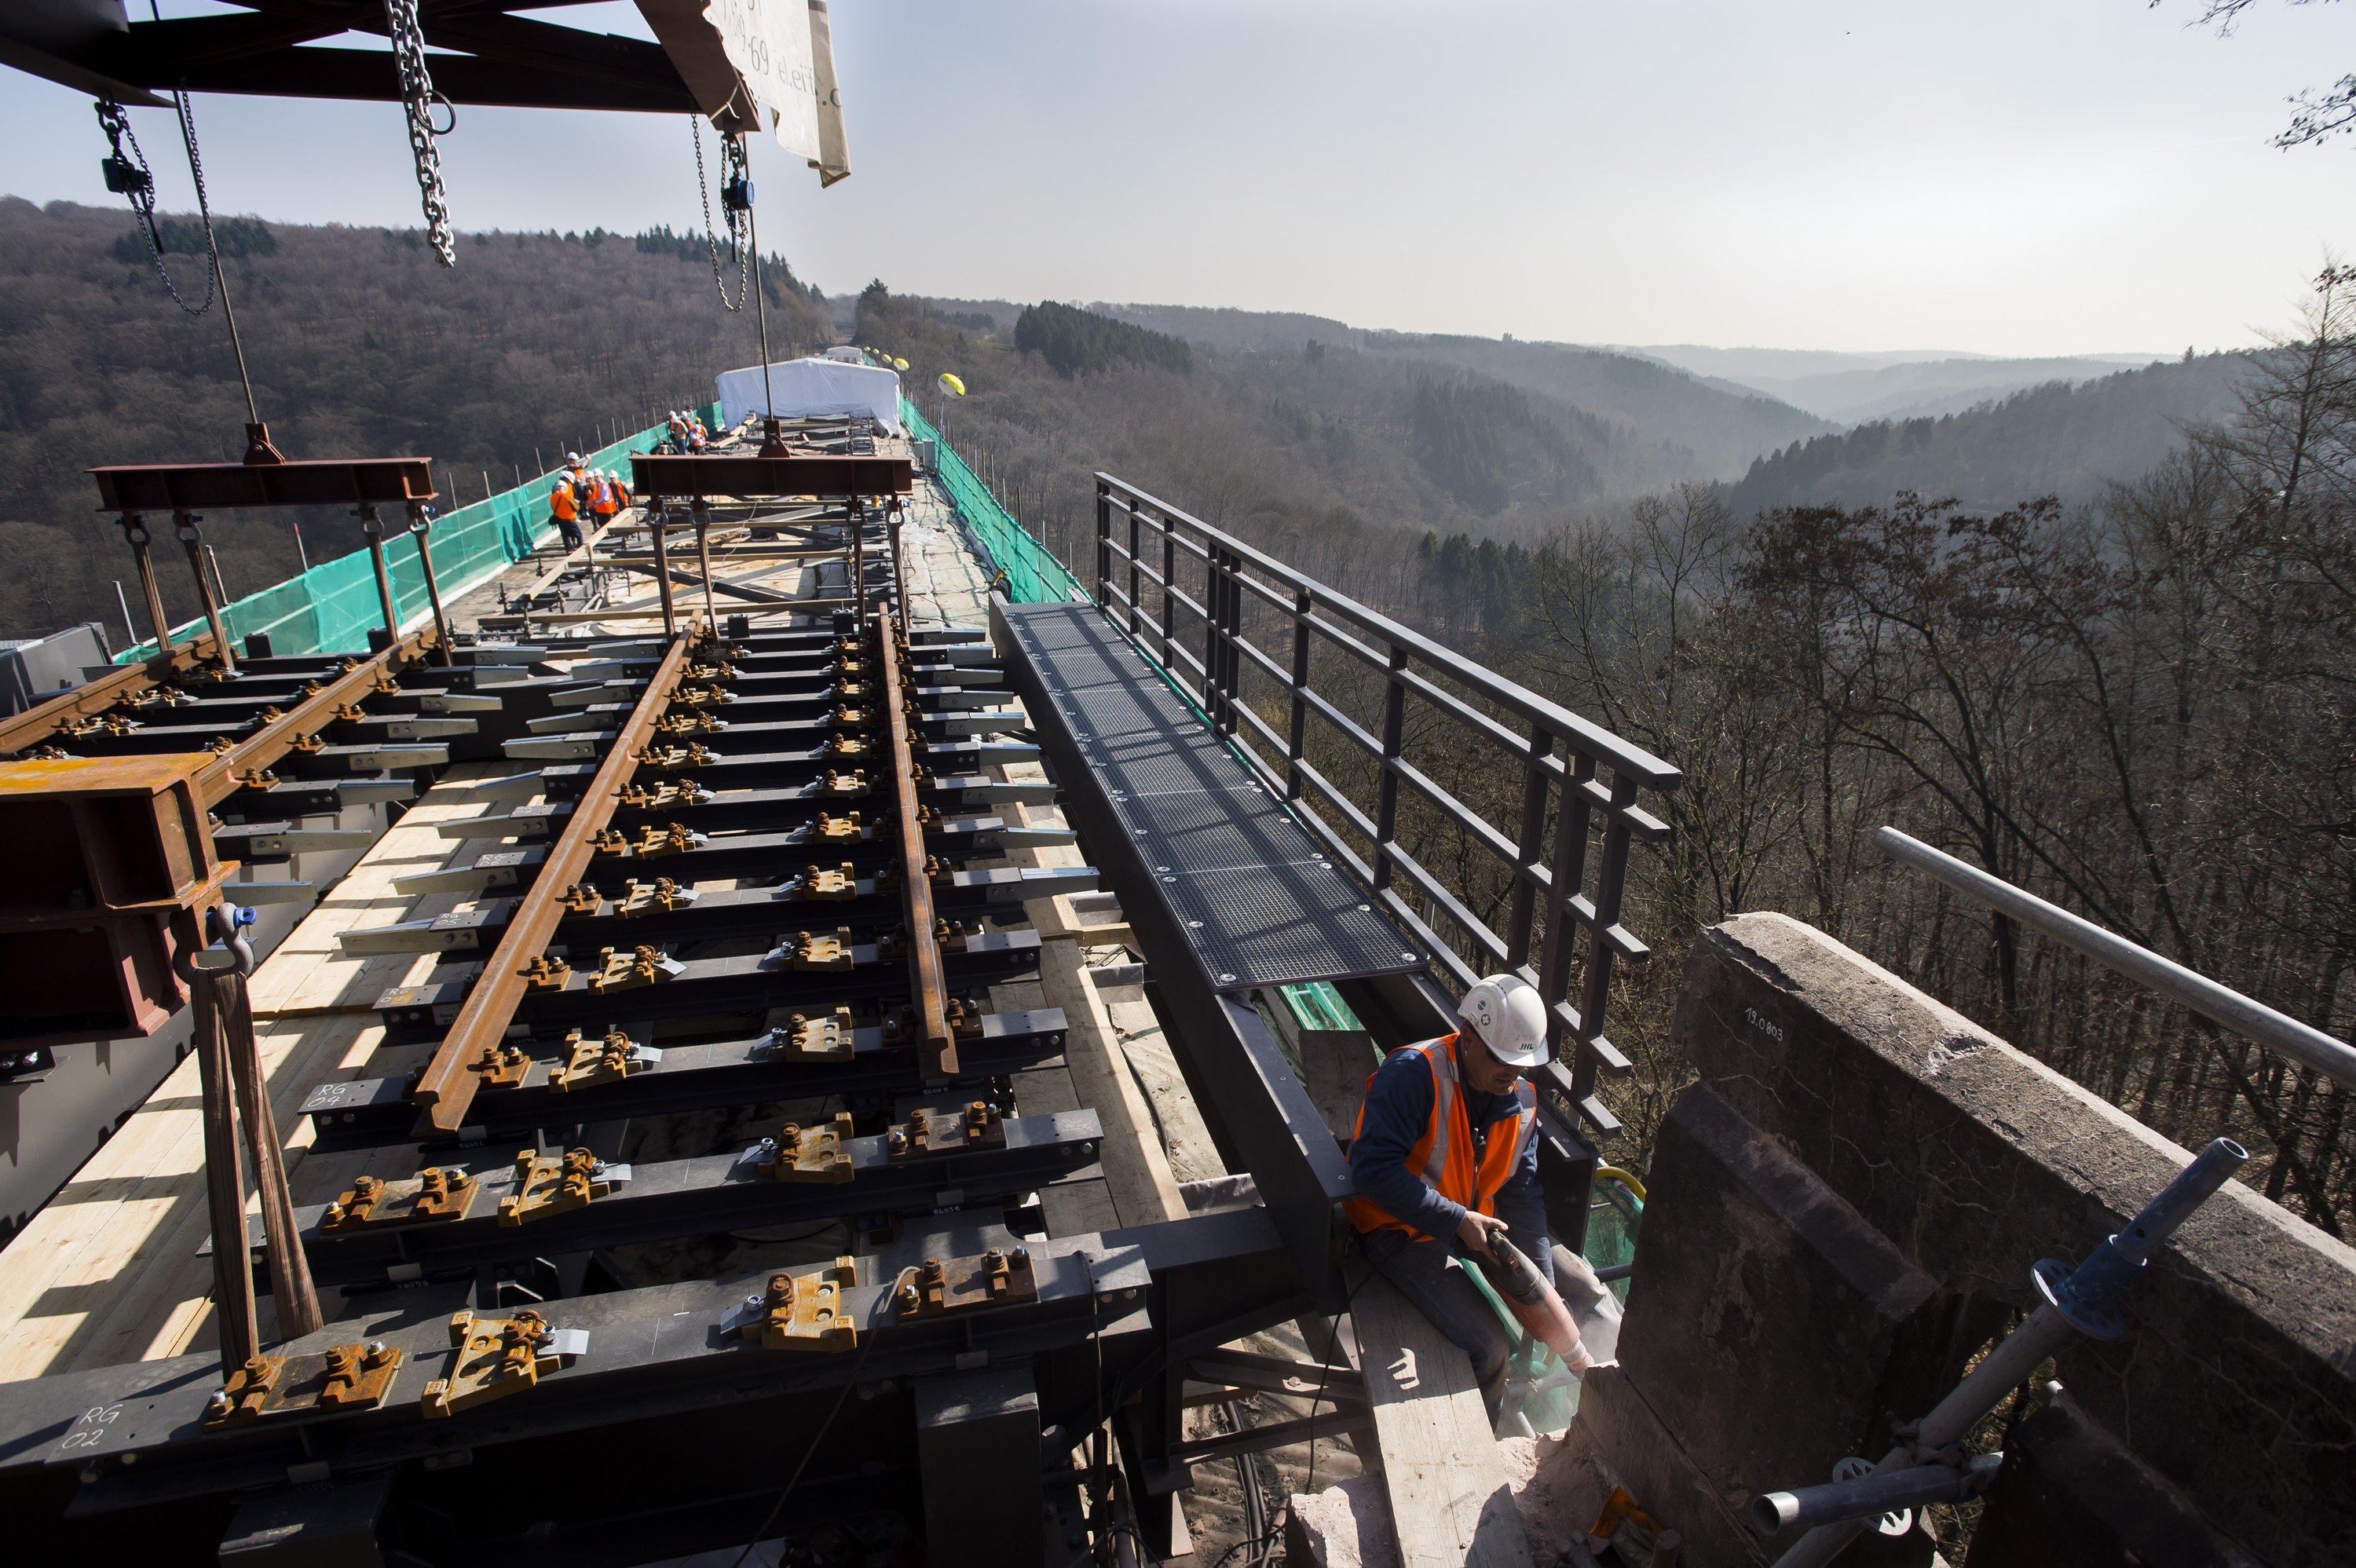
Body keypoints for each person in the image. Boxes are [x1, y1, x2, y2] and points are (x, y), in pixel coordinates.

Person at [1344, 973, 1554, 1424]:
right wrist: (1457, 1220)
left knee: (1566, 1287)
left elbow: (1522, 1193)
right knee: (1491, 1348)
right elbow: (1372, 1170)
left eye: (1522, 1063)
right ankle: (1477, 1447)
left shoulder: (1522, 1099)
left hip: (1467, 1223)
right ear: (1470, 1036)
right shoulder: (1413, 1074)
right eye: (1501, 1058)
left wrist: (1542, 1282)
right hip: (1397, 1228)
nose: (1512, 1073)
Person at [548, 467, 583, 551]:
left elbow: (553, 507)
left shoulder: (552, 497)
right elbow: (576, 507)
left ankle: (569, 549)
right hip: (570, 518)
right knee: (579, 534)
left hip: (559, 518)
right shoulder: (566, 496)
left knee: (565, 535)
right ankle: (581, 549)